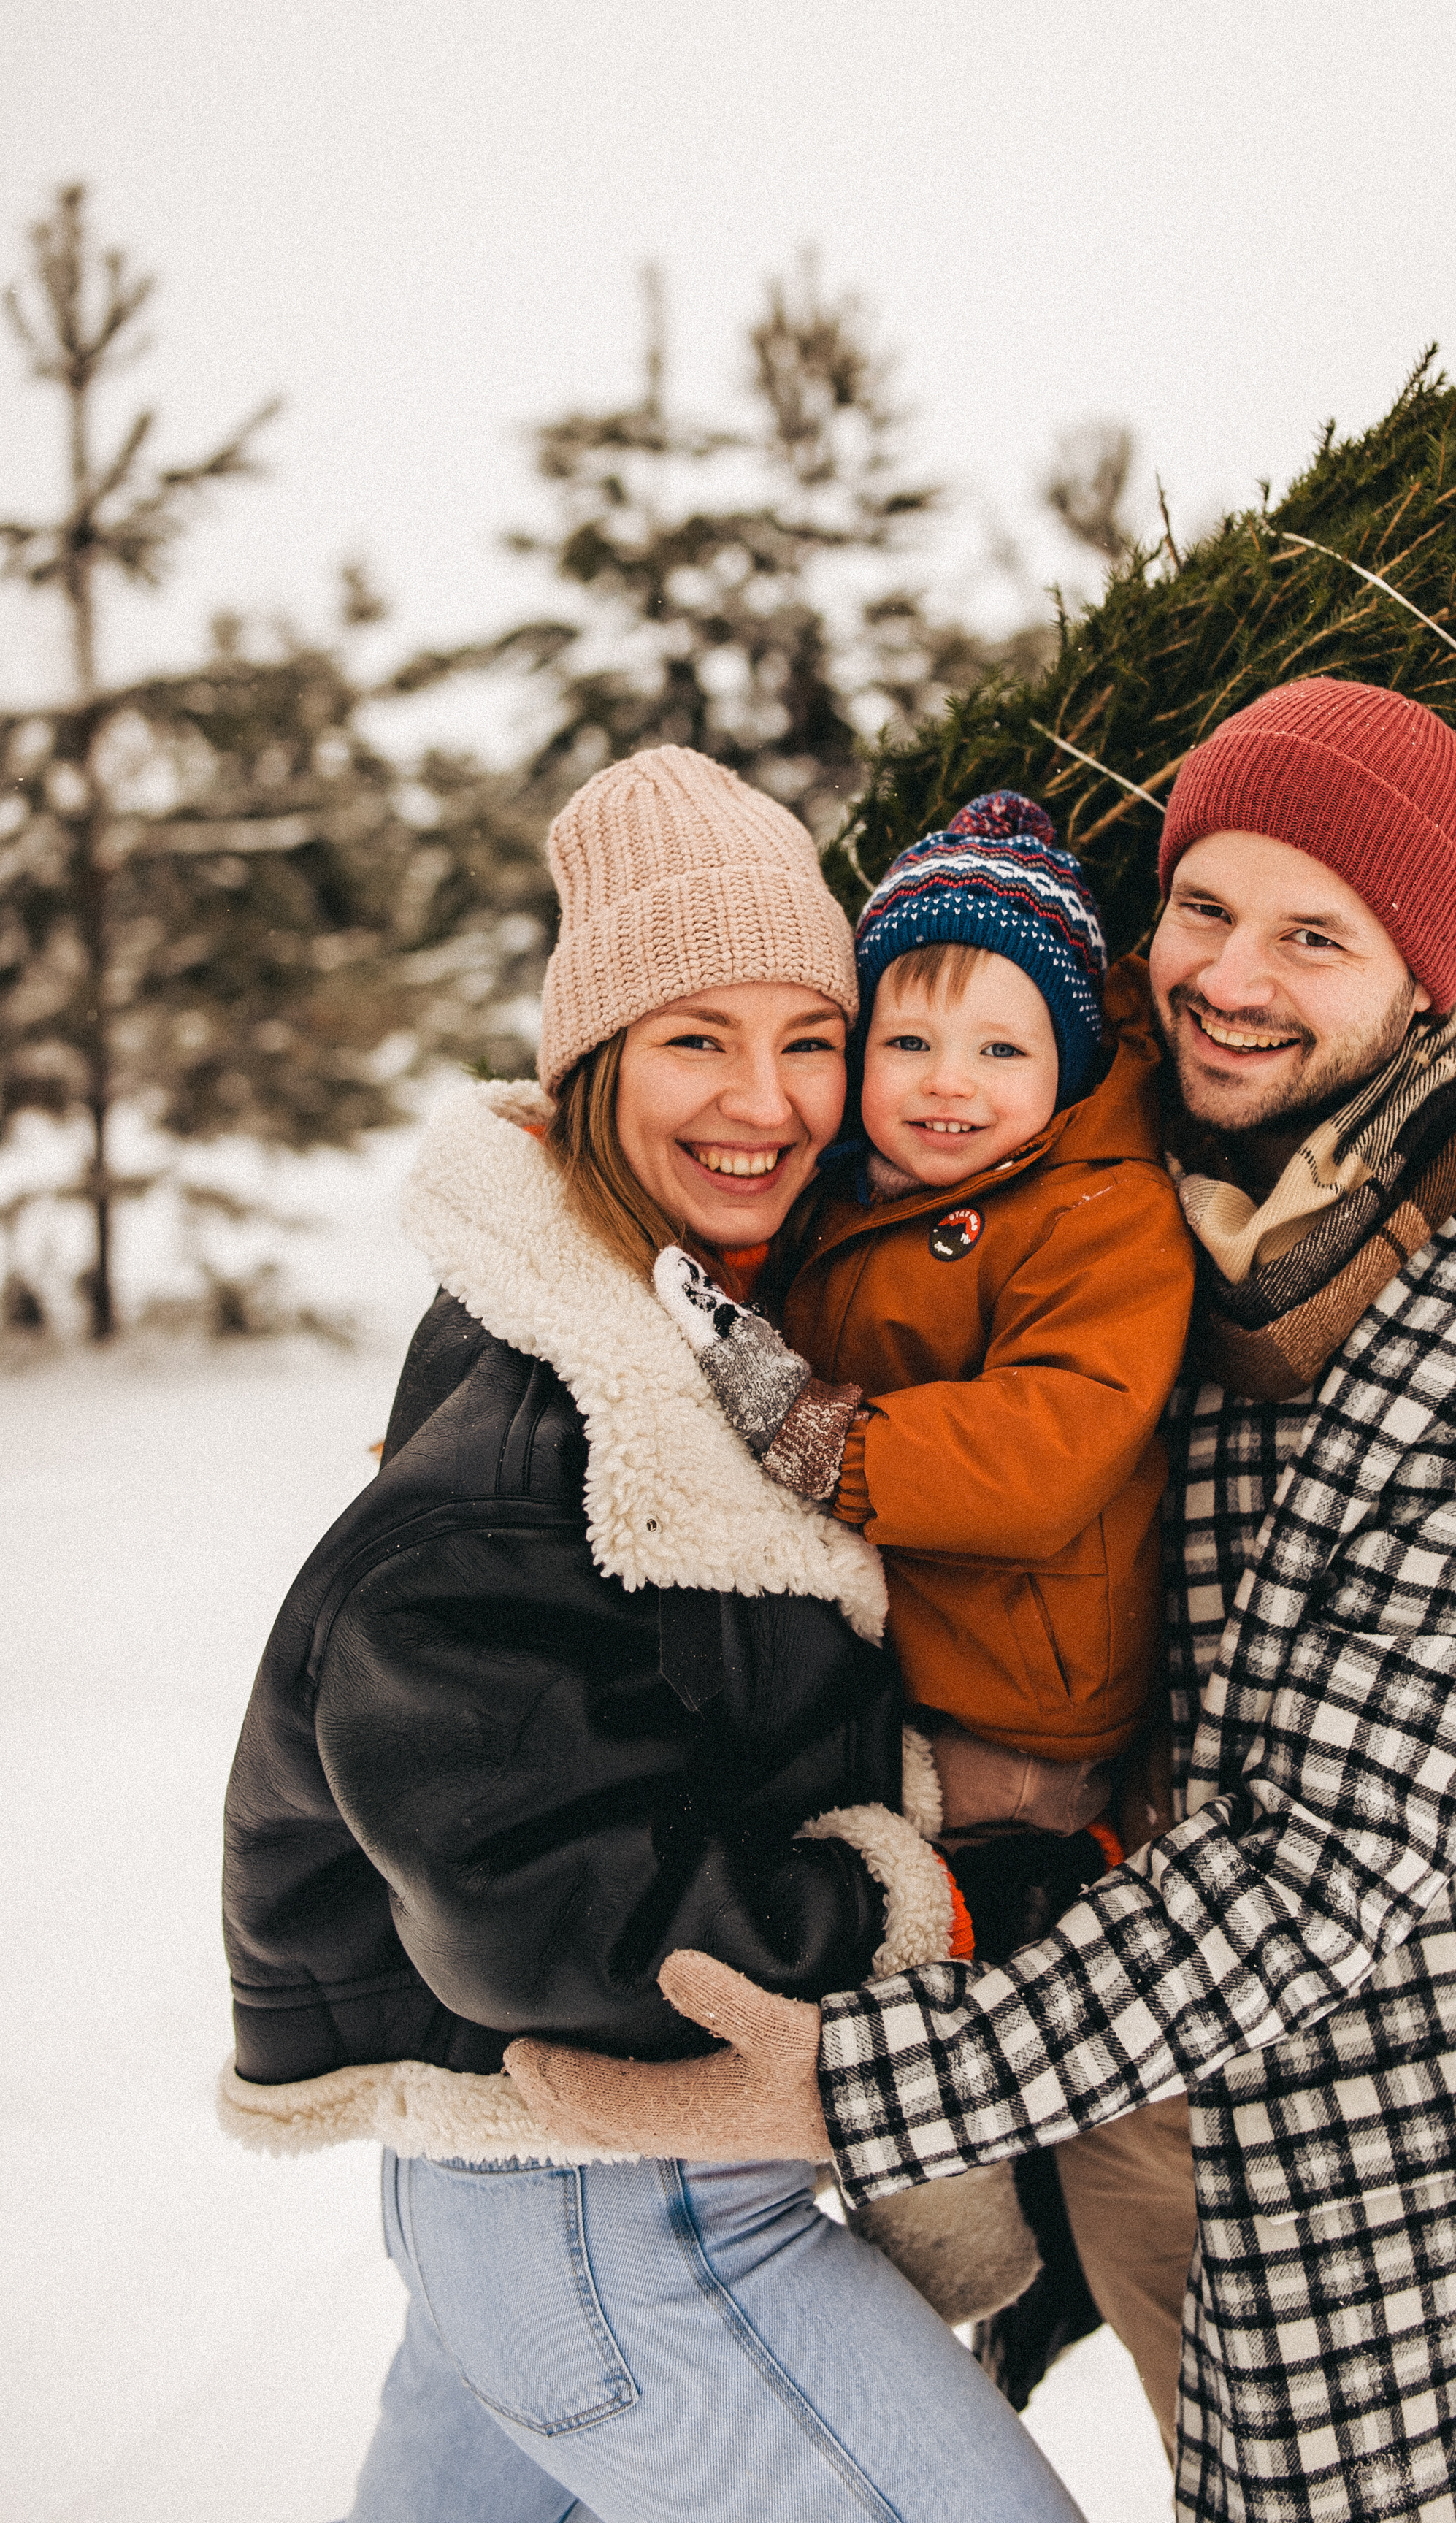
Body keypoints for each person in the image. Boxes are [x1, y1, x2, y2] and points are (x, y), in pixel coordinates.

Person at [509, 678, 1456, 2523]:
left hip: (1362, 2145)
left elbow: (1322, 1875)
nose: (1231, 978)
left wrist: (847, 2089)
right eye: (1200, 908)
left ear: (1424, 982)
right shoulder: (1113, 1147)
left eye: (1312, 936)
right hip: (1096, 2035)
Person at [217, 746, 1087, 2523]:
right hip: (608, 2196)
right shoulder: (534, 1440)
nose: (761, 1101)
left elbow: (686, 1712)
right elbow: (560, 1908)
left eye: (807, 1038)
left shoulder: (682, 1315)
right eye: (696, 1038)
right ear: (592, 1060)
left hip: (533, 2192)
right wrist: (912, 1890)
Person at [654, 788, 1195, 1885]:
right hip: (896, 1669)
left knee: (878, 1889)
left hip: (1014, 1716)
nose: (949, 1081)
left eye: (1002, 1049)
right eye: (910, 1041)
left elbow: (1052, 1441)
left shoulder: (1101, 1213)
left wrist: (829, 1444)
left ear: (1070, 1068)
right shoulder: (845, 1191)